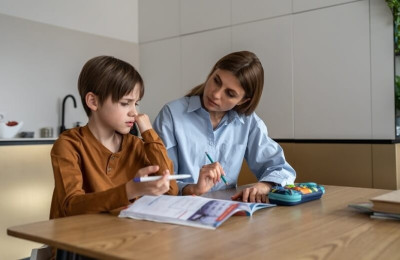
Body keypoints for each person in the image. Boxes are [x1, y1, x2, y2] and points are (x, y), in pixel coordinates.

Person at [153, 51, 295, 203]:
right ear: (212, 73)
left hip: (228, 214)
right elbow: (160, 180)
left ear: (243, 101)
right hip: (177, 211)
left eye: (230, 93)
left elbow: (282, 169)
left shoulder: (248, 122)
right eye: (216, 81)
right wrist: (192, 189)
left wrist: (265, 186)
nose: (216, 94)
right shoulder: (171, 115)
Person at [50, 55, 178, 219]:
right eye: (125, 103)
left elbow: (171, 191)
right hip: (74, 239)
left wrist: (149, 134)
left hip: (120, 236)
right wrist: (130, 190)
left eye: (136, 103)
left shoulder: (136, 145)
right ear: (93, 101)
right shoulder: (69, 144)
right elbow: (71, 206)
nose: (134, 112)